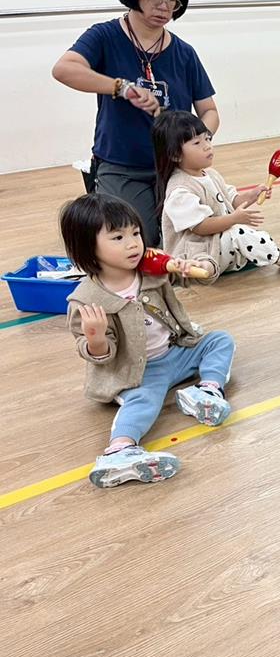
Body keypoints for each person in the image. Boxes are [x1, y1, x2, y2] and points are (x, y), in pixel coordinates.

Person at [60, 193, 235, 488]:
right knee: (143, 401)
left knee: (219, 341)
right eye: (118, 237)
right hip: (138, 371)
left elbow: (191, 275)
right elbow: (98, 354)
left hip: (176, 351)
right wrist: (95, 338)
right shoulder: (87, 300)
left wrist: (201, 266)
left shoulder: (151, 268)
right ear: (87, 246)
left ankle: (207, 391)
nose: (133, 244)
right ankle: (120, 451)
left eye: (135, 233)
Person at [52, 0, 219, 246]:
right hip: (122, 166)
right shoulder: (105, 36)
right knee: (139, 241)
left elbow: (209, 111)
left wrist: (197, 141)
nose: (163, 6)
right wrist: (121, 88)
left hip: (173, 168)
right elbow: (64, 69)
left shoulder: (184, 53)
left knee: (196, 235)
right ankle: (100, 191)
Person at [155, 110, 280, 280]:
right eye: (197, 143)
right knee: (239, 232)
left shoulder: (210, 174)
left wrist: (252, 195)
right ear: (175, 155)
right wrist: (233, 219)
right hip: (198, 251)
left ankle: (245, 257)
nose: (207, 146)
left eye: (207, 138)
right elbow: (200, 227)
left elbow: (231, 201)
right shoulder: (180, 190)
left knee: (248, 234)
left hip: (216, 243)